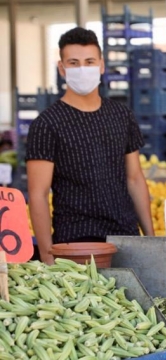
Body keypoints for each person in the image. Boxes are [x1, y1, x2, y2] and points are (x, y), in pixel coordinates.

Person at [26, 27, 154, 264]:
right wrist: (47, 255)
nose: (82, 69)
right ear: (62, 68)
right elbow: (38, 194)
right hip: (76, 241)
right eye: (73, 62)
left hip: (125, 236)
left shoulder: (122, 115)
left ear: (102, 66)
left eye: (89, 61)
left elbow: (134, 178)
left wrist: (152, 241)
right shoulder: (46, 124)